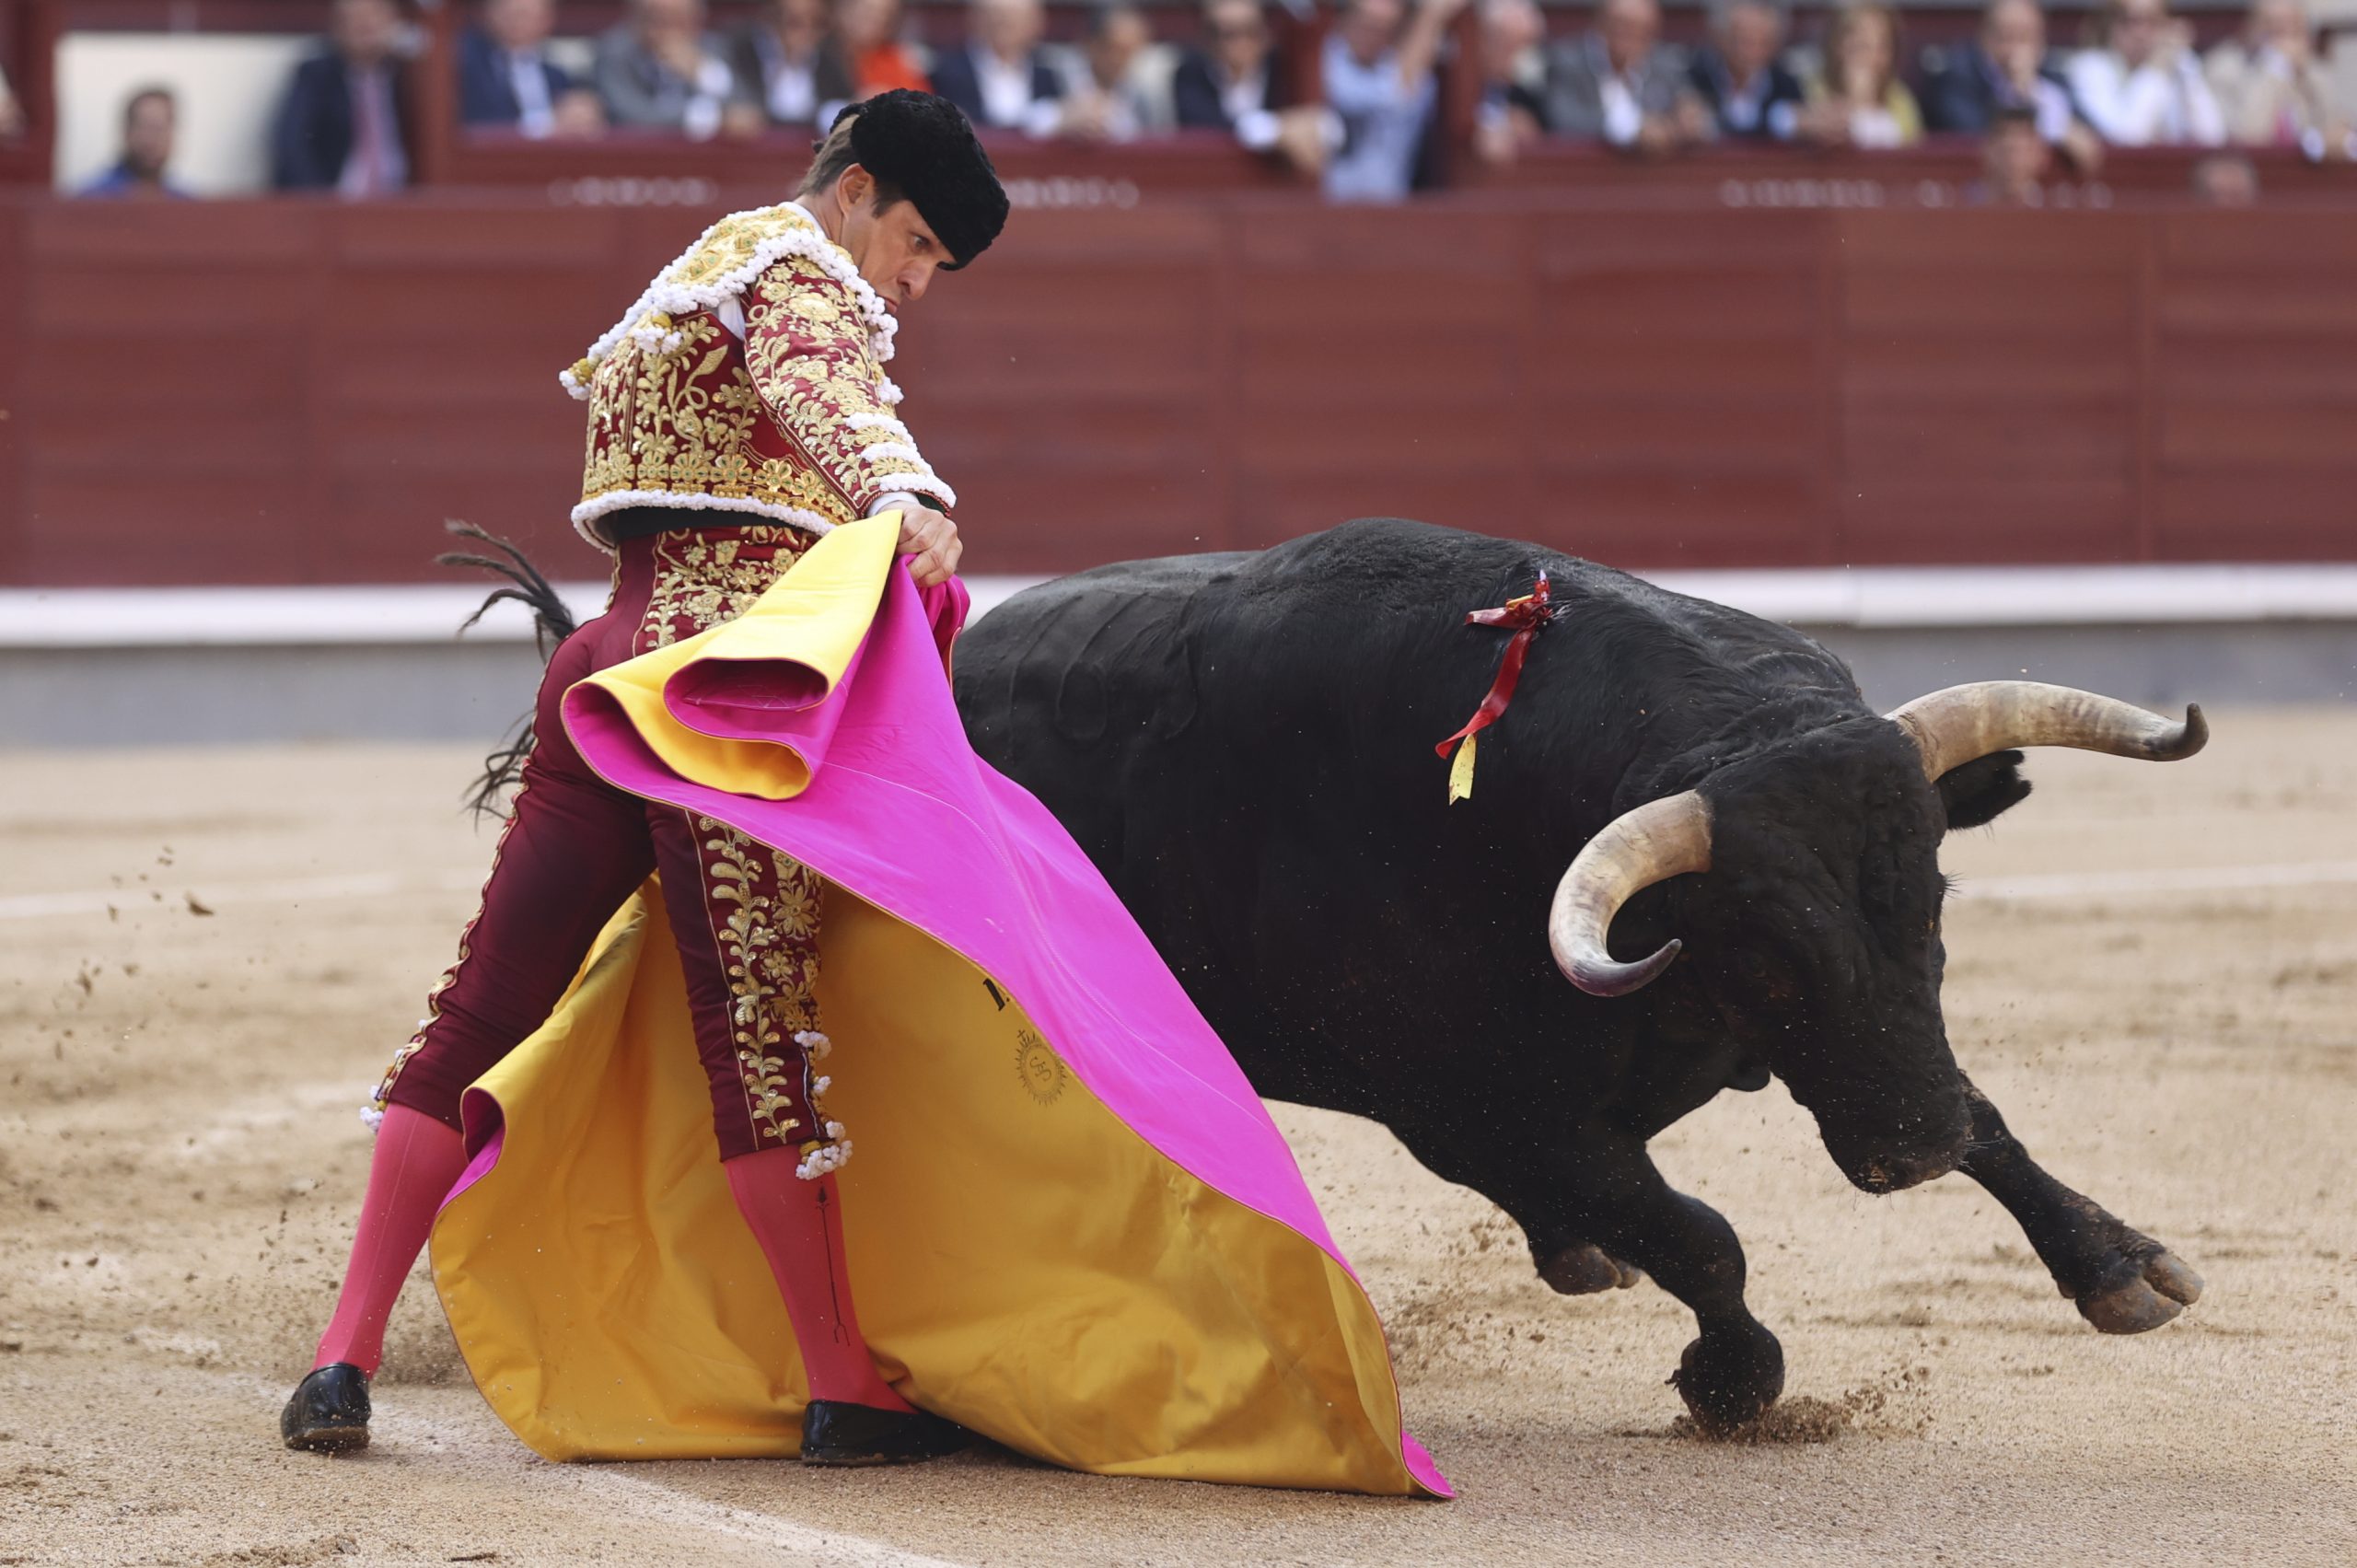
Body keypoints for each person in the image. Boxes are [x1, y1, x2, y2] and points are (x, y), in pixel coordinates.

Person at [281, 88, 1000, 1466]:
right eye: (913, 243)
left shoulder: (694, 272)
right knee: (764, 1040)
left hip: (606, 666)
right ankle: (844, 1378)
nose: (910, 281)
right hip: (723, 687)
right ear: (852, 190)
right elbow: (821, 379)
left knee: (479, 1005)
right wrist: (904, 490)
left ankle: (341, 1353)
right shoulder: (796, 271)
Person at [1322, 0, 1464, 201]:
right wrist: (1430, 16)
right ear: (1345, 19)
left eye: (1384, 29)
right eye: (1368, 25)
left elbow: (1404, 92)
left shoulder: (1411, 72)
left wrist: (1432, 15)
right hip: (1327, 208)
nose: (1373, 36)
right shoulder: (1325, 62)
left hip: (1391, 212)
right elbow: (1395, 93)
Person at [271, 0, 412, 195]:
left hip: (399, 200)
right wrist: (319, 199)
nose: (367, 26)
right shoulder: (316, 75)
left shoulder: (410, 77)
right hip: (336, 200)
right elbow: (292, 144)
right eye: (357, 20)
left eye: (374, 18)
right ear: (338, 28)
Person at [1174, 0, 1330, 173]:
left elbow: (1318, 121)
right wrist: (1277, 131)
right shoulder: (1190, 72)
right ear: (1210, 39)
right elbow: (1203, 126)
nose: (1242, 43)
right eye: (1229, 34)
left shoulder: (1282, 68)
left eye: (1250, 32)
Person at [1543, 0, 1709, 156]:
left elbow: (1706, 120)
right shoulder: (1567, 61)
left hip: (1652, 178)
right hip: (1583, 175)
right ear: (1600, 24)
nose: (1631, 37)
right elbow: (1562, 119)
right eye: (1622, 26)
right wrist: (1634, 129)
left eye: (1642, 31)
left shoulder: (1666, 65)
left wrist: (1689, 120)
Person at [2205, 0, 2352, 157]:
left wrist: (2305, 76)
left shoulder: (2313, 72)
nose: (2285, 41)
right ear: (2252, 27)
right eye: (2275, 29)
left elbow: (2335, 130)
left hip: (2307, 171)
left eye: (2293, 29)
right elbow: (2249, 137)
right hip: (2251, 167)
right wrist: (2275, 69)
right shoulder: (2224, 68)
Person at [594, 0, 760, 138]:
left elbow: (745, 111)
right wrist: (714, 120)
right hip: (634, 160)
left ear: (696, 22)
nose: (666, 31)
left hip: (708, 163)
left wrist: (704, 73)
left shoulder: (714, 48)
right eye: (656, 19)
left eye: (677, 20)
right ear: (635, 19)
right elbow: (630, 116)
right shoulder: (615, 51)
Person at [2066, 0, 2223, 145]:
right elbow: (2128, 138)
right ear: (2110, 25)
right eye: (2130, 22)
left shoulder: (2174, 62)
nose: (2140, 33)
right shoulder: (2089, 67)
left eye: (2153, 22)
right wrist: (2154, 70)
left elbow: (2212, 136)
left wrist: (2186, 62)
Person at [459, 0, 605, 138]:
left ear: (547, 20)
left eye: (526, 15)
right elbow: (476, 129)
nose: (517, 22)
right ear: (490, 12)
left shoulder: (556, 76)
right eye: (511, 13)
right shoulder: (466, 64)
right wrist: (546, 126)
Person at [928, 0, 1065, 135]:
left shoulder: (1048, 75)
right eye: (996, 16)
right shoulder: (947, 72)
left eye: (1014, 18)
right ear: (975, 19)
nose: (1003, 25)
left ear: (1036, 25)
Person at [1796, 1, 1922, 147]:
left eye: (1882, 46)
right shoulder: (1810, 90)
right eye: (1861, 46)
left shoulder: (1899, 98)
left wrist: (1865, 104)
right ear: (1837, 45)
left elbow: (1909, 144)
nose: (1872, 57)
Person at [1687, 0, 1803, 142]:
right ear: (1720, 38)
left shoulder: (1787, 87)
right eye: (1743, 40)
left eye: (1762, 42)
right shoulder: (1694, 81)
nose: (1751, 53)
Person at [730, 0, 855, 130]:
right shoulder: (742, 54)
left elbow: (844, 105)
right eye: (796, 23)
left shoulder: (829, 61)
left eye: (817, 24)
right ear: (772, 21)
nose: (807, 32)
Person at [1055, 2, 1170, 141]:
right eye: (1116, 49)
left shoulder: (1142, 95)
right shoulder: (1056, 81)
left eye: (1132, 51)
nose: (1122, 60)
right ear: (1091, 44)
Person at [1472, 0, 1551, 164]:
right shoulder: (1464, 86)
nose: (1526, 56)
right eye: (1517, 44)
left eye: (1532, 45)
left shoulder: (1534, 91)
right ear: (1485, 42)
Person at [80, 86, 193, 198]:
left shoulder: (186, 205)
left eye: (159, 129)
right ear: (127, 132)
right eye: (144, 127)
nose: (151, 139)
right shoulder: (93, 199)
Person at [834, 0, 932, 99]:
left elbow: (922, 104)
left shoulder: (900, 62)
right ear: (845, 11)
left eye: (886, 16)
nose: (877, 21)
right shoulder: (826, 55)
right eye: (868, 11)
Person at [1971, 99, 2051, 201]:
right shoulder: (1962, 202)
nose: (2013, 161)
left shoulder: (2057, 207)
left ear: (2040, 154)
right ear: (1987, 150)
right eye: (2005, 151)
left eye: (2022, 151)